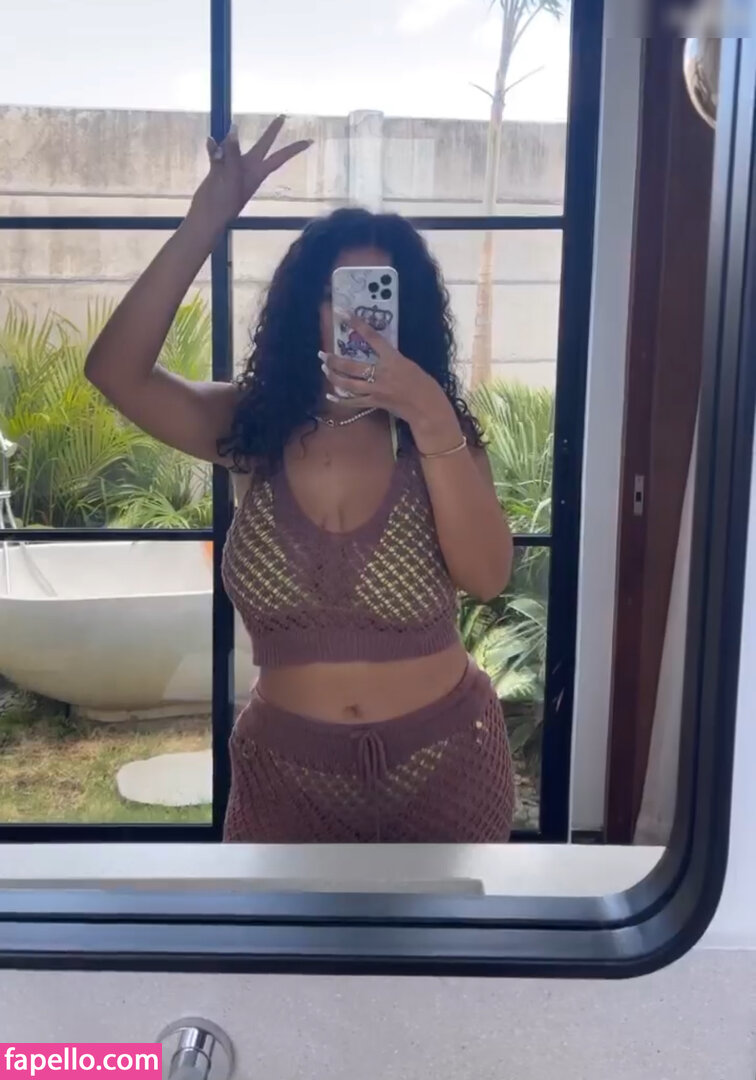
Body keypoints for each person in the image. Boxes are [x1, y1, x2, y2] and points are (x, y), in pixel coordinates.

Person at [86, 117, 516, 843]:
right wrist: (204, 222)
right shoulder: (252, 426)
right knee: (274, 927)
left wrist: (429, 416)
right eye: (337, 294)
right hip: (285, 779)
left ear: (407, 313)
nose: (359, 317)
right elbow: (115, 371)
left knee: (444, 930)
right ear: (304, 310)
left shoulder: (437, 435)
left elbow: (488, 577)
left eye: (380, 294)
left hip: (447, 765)